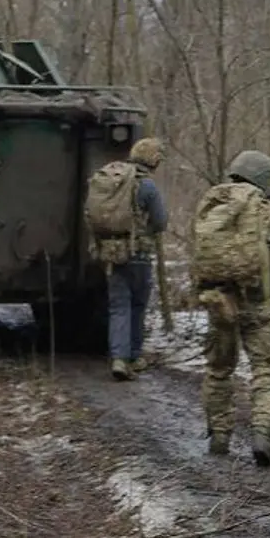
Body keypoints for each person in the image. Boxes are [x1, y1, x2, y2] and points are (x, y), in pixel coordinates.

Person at [190, 150, 270, 466]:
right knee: (265, 370)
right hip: (258, 304)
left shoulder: (213, 205)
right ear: (263, 178)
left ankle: (219, 436)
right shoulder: (269, 211)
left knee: (219, 369)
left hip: (219, 301)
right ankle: (262, 434)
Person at [84, 138, 167, 380]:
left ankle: (118, 359)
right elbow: (161, 221)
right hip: (138, 254)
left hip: (111, 253)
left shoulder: (114, 180)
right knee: (137, 305)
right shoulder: (147, 186)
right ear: (152, 160)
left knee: (118, 306)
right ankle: (134, 356)